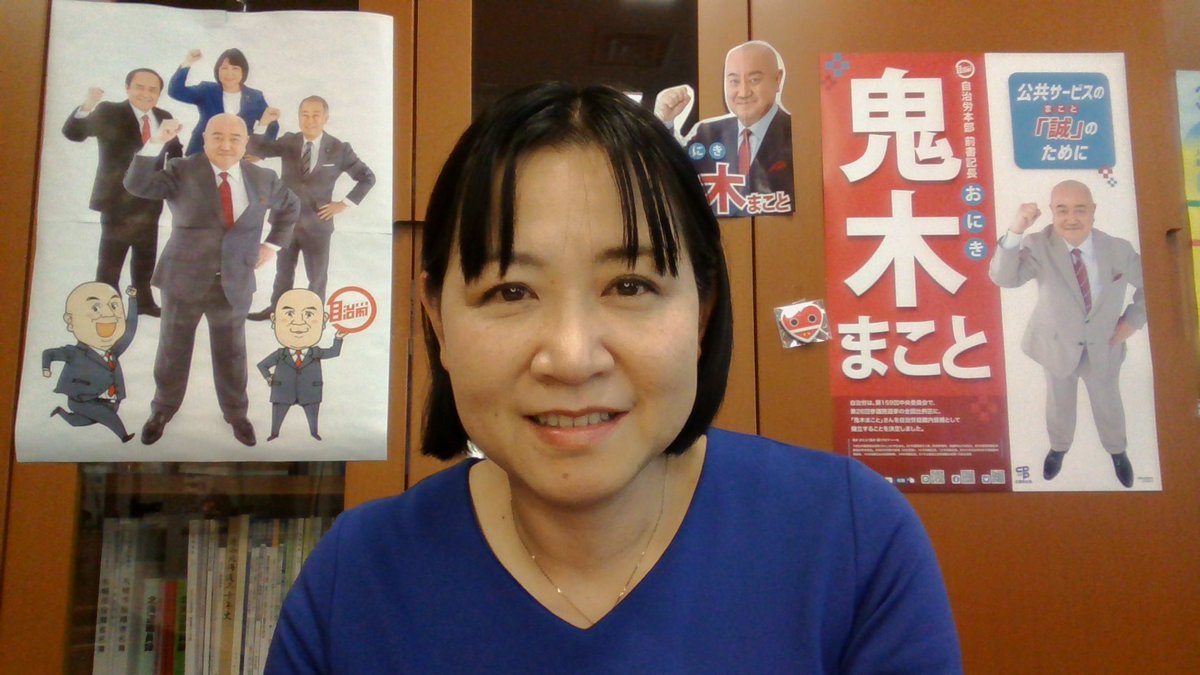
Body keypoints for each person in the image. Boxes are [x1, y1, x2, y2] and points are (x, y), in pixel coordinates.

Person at [265, 83, 960, 673]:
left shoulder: (850, 542)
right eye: (510, 291)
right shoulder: (355, 579)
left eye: (630, 285)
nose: (573, 358)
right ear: (438, 320)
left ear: (702, 310)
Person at [124, 113, 298, 447]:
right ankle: (162, 410)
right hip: (183, 279)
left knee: (232, 353)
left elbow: (291, 206)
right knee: (172, 350)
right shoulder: (181, 170)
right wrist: (157, 141)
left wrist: (272, 245)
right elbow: (137, 185)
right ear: (204, 139)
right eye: (217, 136)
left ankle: (236, 414)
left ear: (246, 143)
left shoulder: (263, 177)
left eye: (235, 138)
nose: (226, 145)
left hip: (234, 281)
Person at [989, 180, 1146, 488]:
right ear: (1051, 212)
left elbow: (1152, 285)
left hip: (1105, 344)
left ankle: (1117, 451)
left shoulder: (1119, 249)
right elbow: (1003, 278)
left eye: (1080, 210)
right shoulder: (1038, 245)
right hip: (1056, 344)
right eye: (1062, 210)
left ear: (1093, 211)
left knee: (1108, 401)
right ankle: (1059, 448)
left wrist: (1132, 321)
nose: (1071, 218)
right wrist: (1016, 230)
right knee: (1059, 401)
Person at [62, 69, 183, 317]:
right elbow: (74, 133)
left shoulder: (163, 117)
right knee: (111, 259)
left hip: (150, 199)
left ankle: (144, 303)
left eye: (153, 90)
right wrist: (88, 105)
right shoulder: (110, 111)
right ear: (127, 88)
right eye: (140, 87)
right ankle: (107, 307)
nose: (146, 94)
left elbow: (175, 155)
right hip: (116, 199)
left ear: (159, 94)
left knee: (145, 256)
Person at [245, 95, 376, 320]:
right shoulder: (289, 141)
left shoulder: (339, 148)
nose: (310, 120)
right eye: (304, 115)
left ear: (326, 118)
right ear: (299, 117)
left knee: (316, 275)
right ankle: (276, 309)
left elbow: (367, 177)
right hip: (286, 221)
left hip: (318, 223)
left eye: (316, 115)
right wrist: (264, 122)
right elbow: (257, 149)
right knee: (283, 271)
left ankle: (314, 316)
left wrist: (343, 204)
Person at [654, 40, 794, 214]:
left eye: (754, 80)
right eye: (734, 81)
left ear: (777, 79)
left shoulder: (797, 134)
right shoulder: (706, 134)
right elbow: (669, 176)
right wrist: (664, 122)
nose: (743, 92)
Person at [42, 283, 138, 442]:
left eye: (114, 306)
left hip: (110, 401)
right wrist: (46, 368)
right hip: (82, 400)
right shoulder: (75, 352)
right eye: (95, 308)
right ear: (70, 321)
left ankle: (61, 412)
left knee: (78, 422)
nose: (108, 316)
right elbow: (49, 353)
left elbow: (130, 331)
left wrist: (132, 299)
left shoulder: (113, 352)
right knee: (107, 417)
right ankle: (124, 436)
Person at [256, 288, 346, 441]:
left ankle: (314, 432)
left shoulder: (316, 352)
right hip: (283, 391)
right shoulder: (280, 354)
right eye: (289, 314)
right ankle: (274, 433)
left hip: (310, 391)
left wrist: (338, 338)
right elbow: (262, 365)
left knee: (313, 415)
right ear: (274, 320)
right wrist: (269, 377)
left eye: (309, 315)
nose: (299, 323)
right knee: (277, 415)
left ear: (323, 320)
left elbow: (334, 352)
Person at [168, 47, 279, 157]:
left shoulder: (255, 96)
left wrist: (260, 153)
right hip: (201, 153)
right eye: (224, 68)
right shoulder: (207, 90)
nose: (229, 73)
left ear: (243, 72)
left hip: (237, 157)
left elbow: (272, 125)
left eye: (235, 68)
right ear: (218, 71)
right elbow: (175, 91)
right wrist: (188, 61)